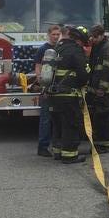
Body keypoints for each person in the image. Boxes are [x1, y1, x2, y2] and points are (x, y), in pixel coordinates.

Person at [49, 25, 90, 164]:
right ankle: (69, 155)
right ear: (77, 39)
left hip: (53, 94)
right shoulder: (76, 51)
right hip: (68, 95)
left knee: (58, 124)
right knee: (71, 124)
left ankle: (58, 152)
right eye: (82, 42)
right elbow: (83, 75)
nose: (82, 45)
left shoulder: (57, 48)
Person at [86, 25, 109, 154]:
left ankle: (106, 144)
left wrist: (102, 88)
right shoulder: (97, 47)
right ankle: (98, 143)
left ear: (101, 35)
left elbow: (108, 70)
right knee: (97, 117)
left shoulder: (108, 48)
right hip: (95, 89)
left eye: (95, 37)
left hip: (106, 90)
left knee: (104, 117)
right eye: (91, 37)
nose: (92, 39)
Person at [34, 25, 62, 157]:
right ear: (49, 35)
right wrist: (41, 82)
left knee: (58, 118)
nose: (56, 37)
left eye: (58, 34)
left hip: (59, 88)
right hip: (46, 88)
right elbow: (38, 67)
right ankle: (43, 147)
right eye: (54, 34)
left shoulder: (61, 48)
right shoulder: (43, 49)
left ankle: (58, 145)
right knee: (45, 119)